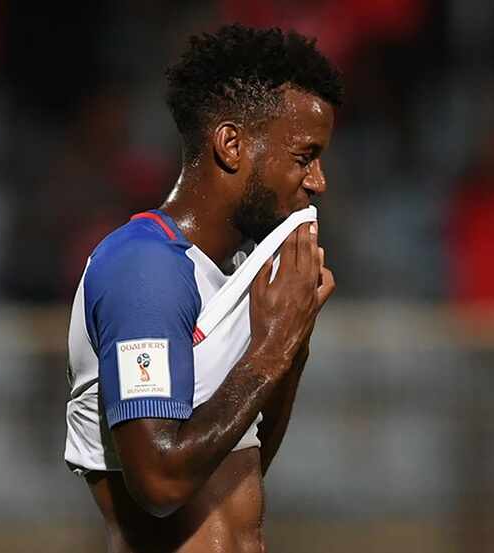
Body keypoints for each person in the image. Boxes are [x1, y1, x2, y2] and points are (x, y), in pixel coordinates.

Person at [63, 24, 343, 553]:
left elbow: (243, 465)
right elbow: (161, 483)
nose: (319, 181)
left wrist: (294, 343)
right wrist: (273, 345)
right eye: (305, 156)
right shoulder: (144, 268)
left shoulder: (236, 270)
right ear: (232, 144)